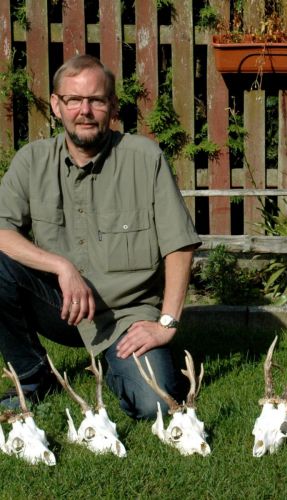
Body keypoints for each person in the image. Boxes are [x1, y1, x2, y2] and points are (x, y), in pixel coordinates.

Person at [0, 54, 201, 418]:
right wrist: (61, 266)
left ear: (112, 106)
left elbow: (180, 245)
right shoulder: (32, 161)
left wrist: (166, 324)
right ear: (57, 106)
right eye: (74, 100)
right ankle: (32, 377)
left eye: (96, 100)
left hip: (127, 315)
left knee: (154, 405)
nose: (85, 111)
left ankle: (121, 365)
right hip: (61, 306)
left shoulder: (145, 158)